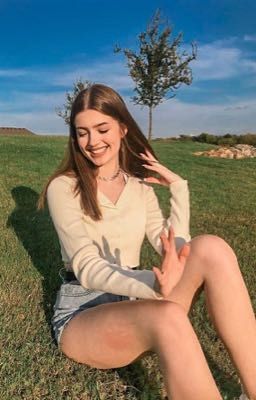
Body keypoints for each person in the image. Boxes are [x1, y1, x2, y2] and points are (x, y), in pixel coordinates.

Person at [38, 84, 255, 400]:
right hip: (84, 309)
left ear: (123, 128)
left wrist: (179, 188)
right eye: (82, 132)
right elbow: (86, 266)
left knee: (212, 248)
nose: (92, 142)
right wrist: (153, 285)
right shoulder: (64, 187)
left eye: (102, 129)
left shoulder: (140, 189)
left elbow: (176, 249)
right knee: (167, 316)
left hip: (135, 300)